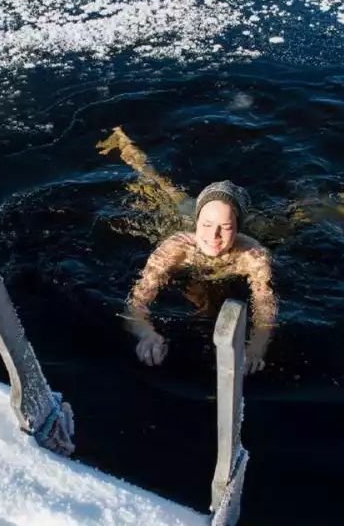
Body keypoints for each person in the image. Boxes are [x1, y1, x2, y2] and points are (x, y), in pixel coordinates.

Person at [97, 127, 278, 374]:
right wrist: (145, 333)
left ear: (237, 229)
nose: (213, 236)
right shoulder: (177, 247)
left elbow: (265, 307)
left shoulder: (251, 255)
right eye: (206, 225)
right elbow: (137, 301)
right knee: (160, 186)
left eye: (225, 228)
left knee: (287, 224)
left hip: (244, 229)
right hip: (184, 213)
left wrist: (256, 348)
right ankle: (123, 142)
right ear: (197, 223)